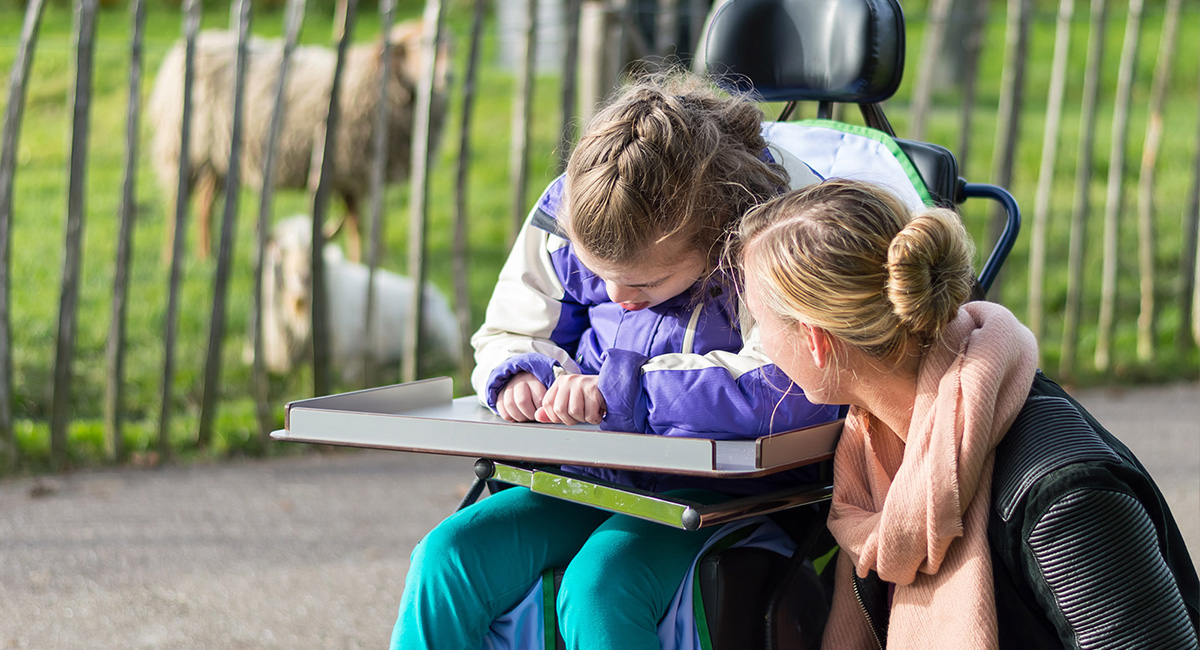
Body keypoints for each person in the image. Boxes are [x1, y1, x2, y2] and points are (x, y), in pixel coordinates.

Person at [389, 71, 841, 650]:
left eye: (646, 283)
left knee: (604, 585)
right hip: (591, 474)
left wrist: (619, 392)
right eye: (600, 276)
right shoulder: (587, 198)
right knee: (447, 557)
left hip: (727, 496)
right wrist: (523, 374)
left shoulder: (780, 227)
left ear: (717, 234)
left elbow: (790, 384)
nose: (617, 296)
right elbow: (510, 326)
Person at [736, 178, 1200, 649]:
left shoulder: (1060, 495)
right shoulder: (874, 457)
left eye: (758, 321)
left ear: (816, 341)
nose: (756, 345)